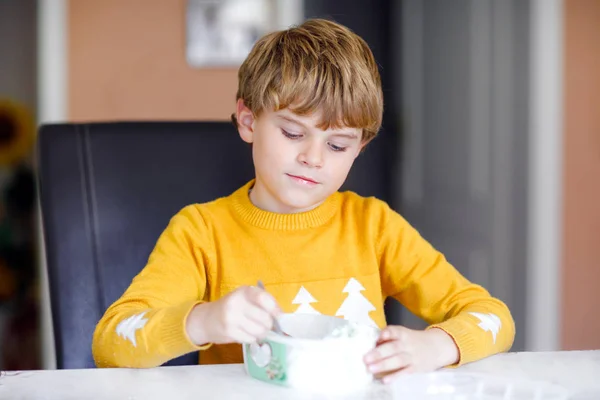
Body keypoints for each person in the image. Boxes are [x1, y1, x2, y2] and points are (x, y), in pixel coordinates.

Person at [92, 18, 514, 383]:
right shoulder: (200, 233)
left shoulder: (375, 227)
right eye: (293, 133)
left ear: (361, 148)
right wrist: (203, 320)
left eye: (338, 145)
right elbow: (111, 343)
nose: (312, 158)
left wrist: (435, 346)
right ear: (247, 120)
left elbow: (493, 317)